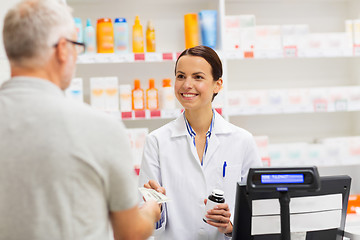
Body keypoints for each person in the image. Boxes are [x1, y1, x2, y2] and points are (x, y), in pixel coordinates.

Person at [0, 0, 160, 239]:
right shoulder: (100, 128)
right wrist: (150, 210)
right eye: (76, 46)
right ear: (62, 49)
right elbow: (130, 233)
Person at [139, 45, 262, 240]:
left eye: (198, 77)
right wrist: (156, 209)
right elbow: (146, 222)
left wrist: (230, 228)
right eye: (180, 76)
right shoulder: (157, 141)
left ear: (217, 84)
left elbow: (259, 212)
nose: (187, 85)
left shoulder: (242, 140)